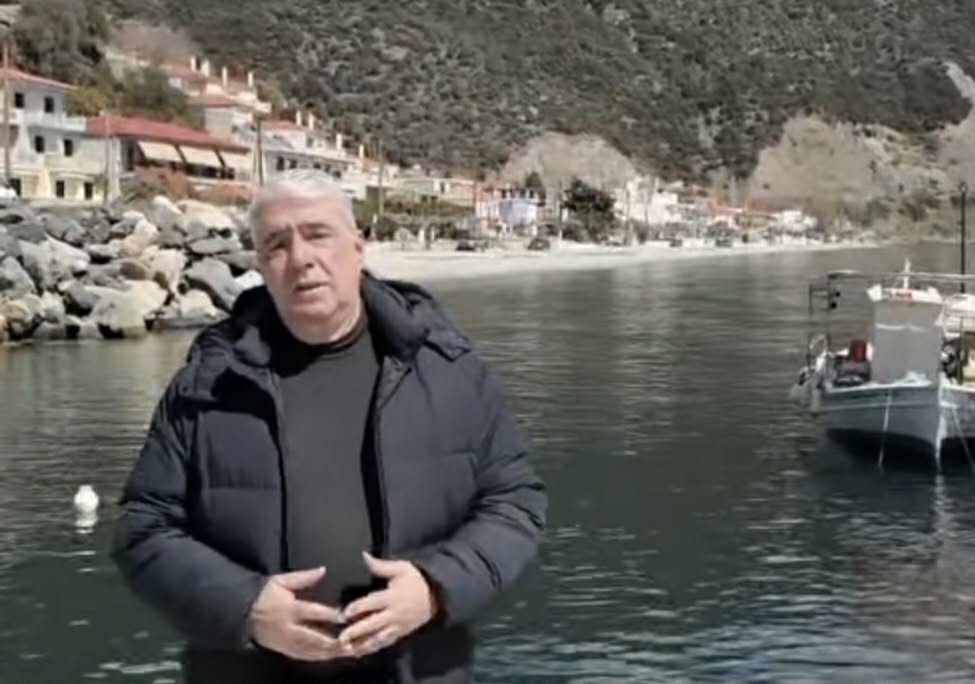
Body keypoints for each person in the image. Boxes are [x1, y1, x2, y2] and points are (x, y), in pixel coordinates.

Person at [111, 169, 547, 684]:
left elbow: (515, 502)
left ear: (358, 247)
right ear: (261, 265)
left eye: (318, 234)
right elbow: (143, 529)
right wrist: (245, 608)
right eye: (277, 244)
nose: (300, 258)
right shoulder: (206, 385)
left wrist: (436, 588)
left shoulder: (449, 370)